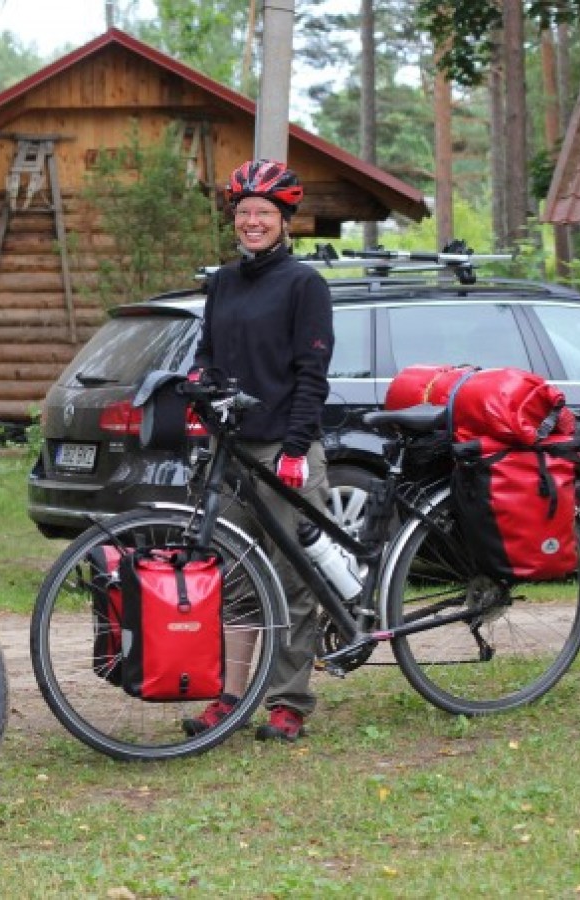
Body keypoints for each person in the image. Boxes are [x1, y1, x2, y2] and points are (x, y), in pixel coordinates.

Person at [182, 159, 334, 743]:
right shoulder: (222, 281)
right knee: (237, 579)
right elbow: (211, 352)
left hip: (284, 448)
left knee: (294, 581)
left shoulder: (303, 284)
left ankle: (289, 701)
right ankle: (231, 697)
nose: (251, 221)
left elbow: (310, 373)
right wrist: (198, 379)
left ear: (285, 221)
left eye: (263, 213)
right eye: (243, 212)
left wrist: (296, 448)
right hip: (234, 450)